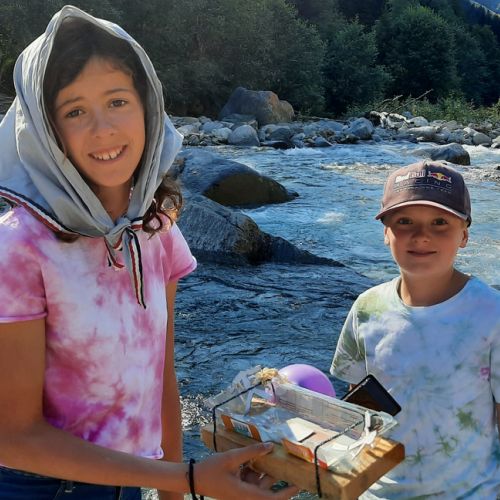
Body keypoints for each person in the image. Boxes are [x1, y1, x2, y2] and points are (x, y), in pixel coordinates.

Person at [0, 6, 297, 500]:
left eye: (117, 101)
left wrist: (175, 490)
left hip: (133, 482)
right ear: (45, 131)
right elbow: (13, 436)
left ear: (148, 107)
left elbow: (161, 375)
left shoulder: (156, 231)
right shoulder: (18, 249)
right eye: (74, 111)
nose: (103, 129)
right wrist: (187, 478)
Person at [331, 160, 500, 498]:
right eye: (404, 221)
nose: (422, 235)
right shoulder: (366, 308)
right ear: (385, 233)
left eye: (440, 222)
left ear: (464, 235)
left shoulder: (492, 313)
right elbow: (359, 409)